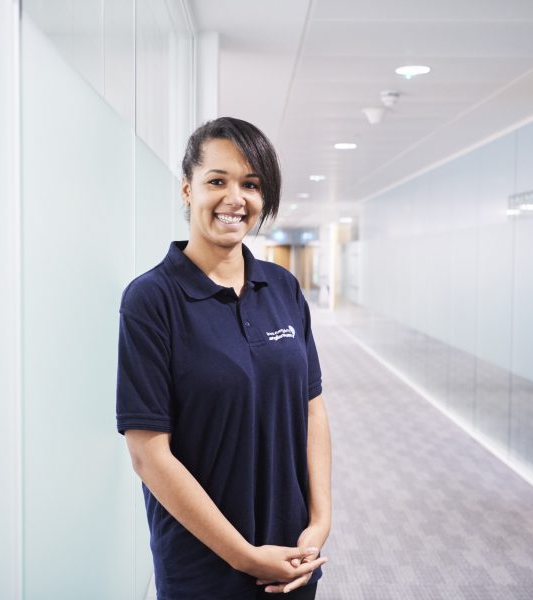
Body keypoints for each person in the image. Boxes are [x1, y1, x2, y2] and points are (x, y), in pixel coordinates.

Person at [116, 117, 332, 600]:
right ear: (188, 190)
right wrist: (243, 555)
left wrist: (319, 522)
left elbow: (312, 408)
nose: (236, 198)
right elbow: (148, 454)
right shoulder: (152, 299)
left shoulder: (282, 288)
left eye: (251, 184)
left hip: (291, 551)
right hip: (203, 562)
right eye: (218, 181)